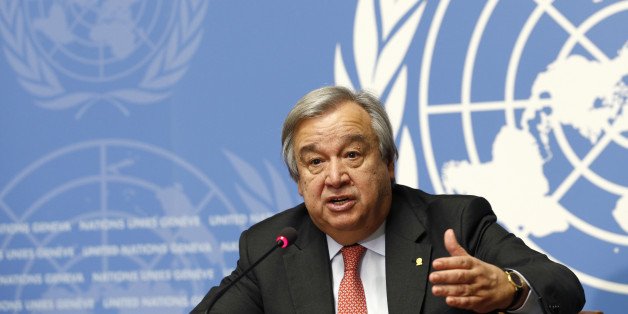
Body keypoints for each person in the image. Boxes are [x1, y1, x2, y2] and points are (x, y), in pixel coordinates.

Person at [192, 86, 585, 313]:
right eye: (314, 162)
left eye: (352, 155)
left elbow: (563, 287)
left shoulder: (453, 223)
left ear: (388, 162)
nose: (334, 178)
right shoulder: (270, 248)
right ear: (299, 181)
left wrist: (510, 288)